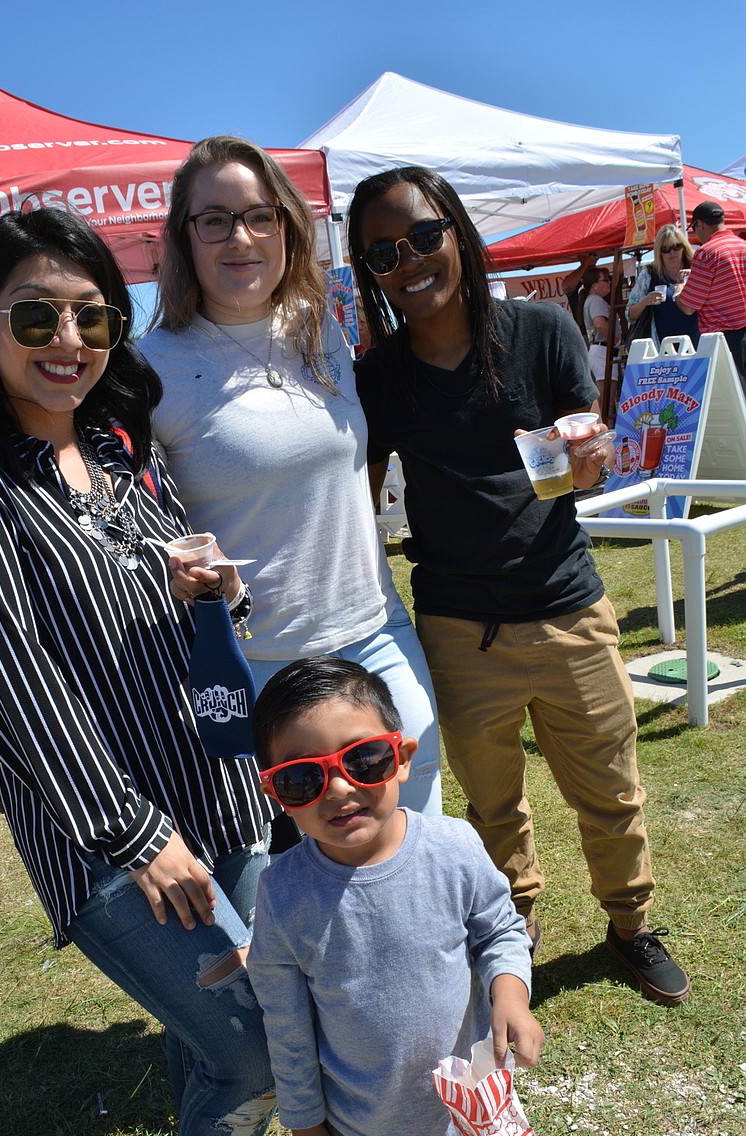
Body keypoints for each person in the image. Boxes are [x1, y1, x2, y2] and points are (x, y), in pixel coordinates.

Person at [0, 207, 302, 1136]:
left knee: (207, 1028)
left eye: (92, 317)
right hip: (115, 836)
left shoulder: (123, 459)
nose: (68, 340)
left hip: (223, 801)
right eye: (37, 315)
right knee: (253, 1050)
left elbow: (180, 614)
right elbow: (10, 686)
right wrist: (135, 837)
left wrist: (221, 588)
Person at [346, 165, 690, 1008]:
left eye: (424, 235)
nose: (410, 260)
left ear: (457, 231)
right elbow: (357, 487)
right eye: (384, 252)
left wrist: (589, 451)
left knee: (610, 789)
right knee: (494, 806)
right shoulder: (379, 375)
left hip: (567, 606)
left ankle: (631, 923)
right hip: (460, 629)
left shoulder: (540, 330)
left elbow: (587, 442)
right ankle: (513, 924)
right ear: (369, 271)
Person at [139, 135, 442, 819]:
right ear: (184, 238)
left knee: (416, 814)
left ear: (286, 227)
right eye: (213, 219)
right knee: (321, 856)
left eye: (259, 215)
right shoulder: (149, 367)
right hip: (263, 661)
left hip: (374, 627)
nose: (238, 236)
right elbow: (136, 522)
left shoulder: (318, 326)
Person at [247, 656, 545, 1136]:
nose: (339, 789)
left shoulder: (454, 848)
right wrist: (305, 1125)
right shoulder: (282, 893)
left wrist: (510, 993)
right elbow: (286, 1023)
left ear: (403, 756)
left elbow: (500, 930)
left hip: (471, 1125)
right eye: (304, 778)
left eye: (364, 760)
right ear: (274, 792)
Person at [675, 200, 746, 388]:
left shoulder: (707, 252)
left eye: (695, 229)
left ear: (701, 224)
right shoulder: (743, 245)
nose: (696, 235)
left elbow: (689, 306)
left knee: (736, 401)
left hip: (726, 340)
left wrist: (679, 293)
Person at [626, 224, 698, 349]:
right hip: (662, 348)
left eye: (676, 246)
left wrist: (694, 276)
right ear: (659, 252)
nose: (672, 253)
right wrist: (645, 302)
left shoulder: (697, 269)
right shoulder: (649, 274)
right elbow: (629, 314)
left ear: (684, 247)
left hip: (698, 343)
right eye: (666, 249)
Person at [581, 265, 623, 410]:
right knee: (606, 402)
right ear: (595, 285)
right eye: (606, 280)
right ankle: (605, 429)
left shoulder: (591, 300)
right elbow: (600, 324)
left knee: (606, 401)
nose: (609, 283)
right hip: (603, 351)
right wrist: (617, 340)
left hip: (600, 349)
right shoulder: (596, 300)